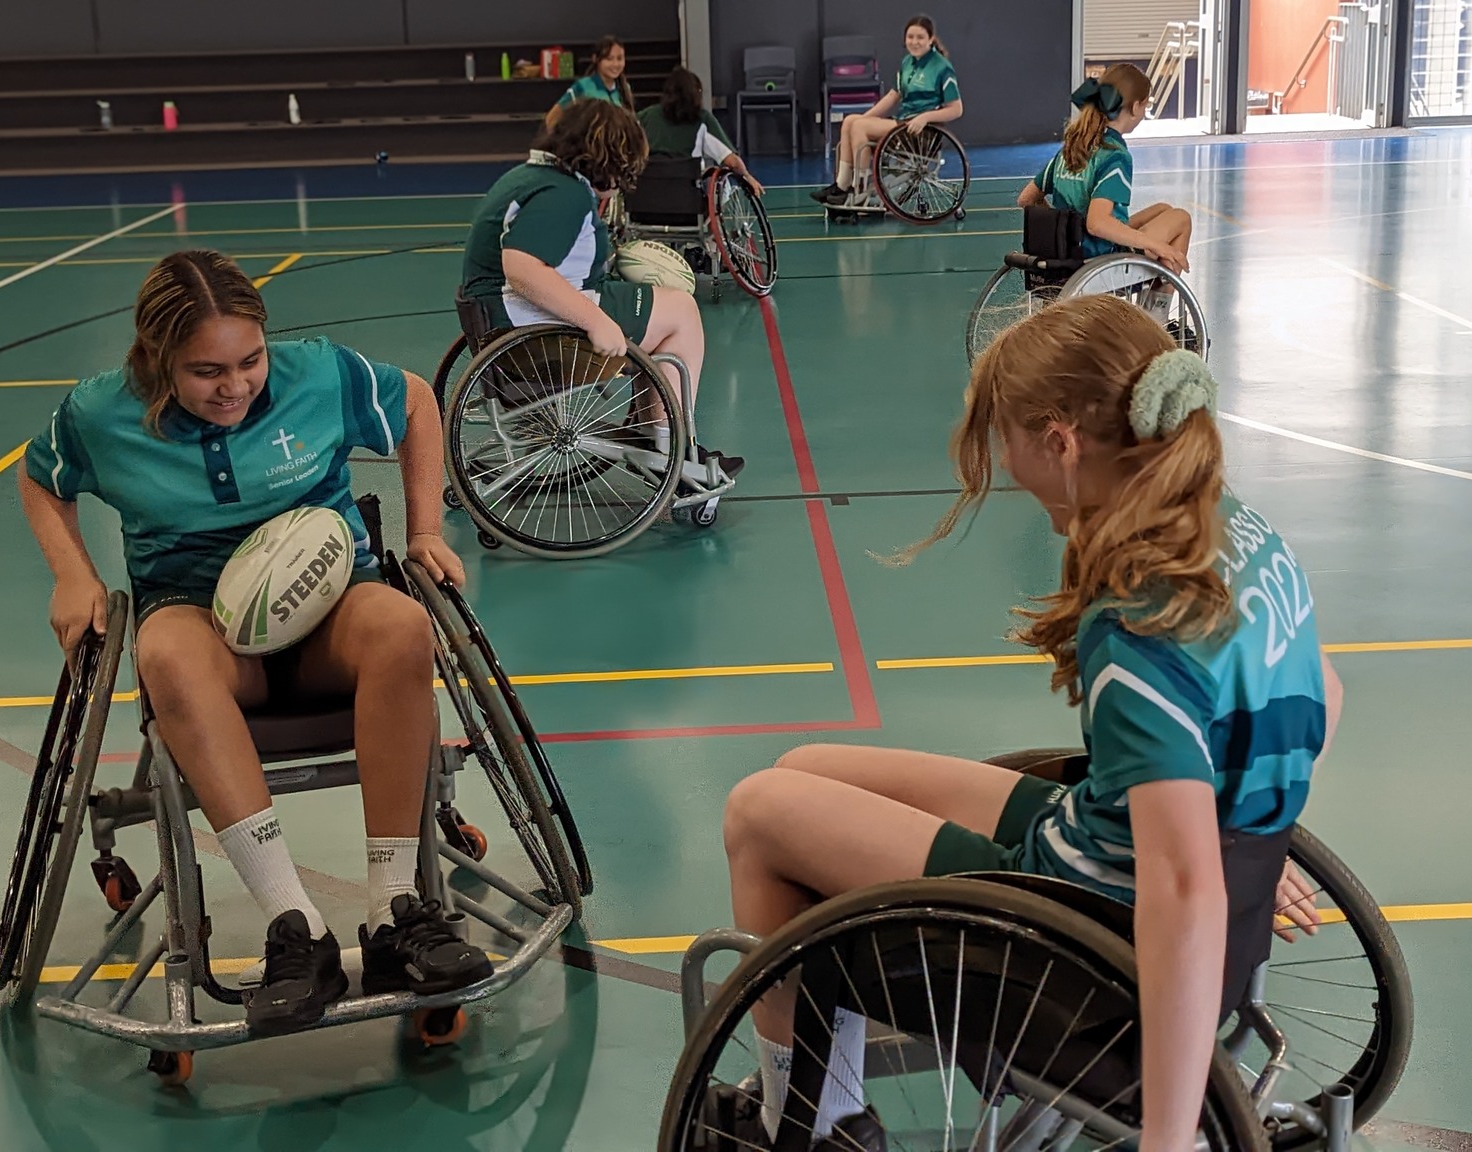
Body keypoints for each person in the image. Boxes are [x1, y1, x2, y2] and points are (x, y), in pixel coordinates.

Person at [711, 294, 1343, 1151]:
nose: (1004, 464)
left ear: (1060, 439)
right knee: (804, 763)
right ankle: (821, 1093)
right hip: (1095, 846)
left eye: (1006, 437)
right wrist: (1250, 832)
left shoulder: (1135, 630)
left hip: (1071, 938)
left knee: (757, 809)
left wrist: (1169, 1138)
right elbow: (1322, 692)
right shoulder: (1234, 525)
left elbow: (1185, 891)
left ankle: (813, 1118)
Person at [18, 249, 492, 1039]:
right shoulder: (102, 413)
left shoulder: (318, 376)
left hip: (329, 608)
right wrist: (72, 575)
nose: (235, 385)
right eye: (206, 371)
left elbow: (413, 402)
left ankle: (393, 911)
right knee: (162, 652)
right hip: (199, 616)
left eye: (249, 361)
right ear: (155, 356)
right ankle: (292, 927)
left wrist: (425, 531)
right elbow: (40, 477)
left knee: (404, 625)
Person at [459, 98, 743, 480]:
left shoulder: (531, 176)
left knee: (658, 312)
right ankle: (672, 451)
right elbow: (522, 267)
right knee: (681, 313)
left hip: (503, 326)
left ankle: (653, 435)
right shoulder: (563, 194)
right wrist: (596, 321)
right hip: (532, 339)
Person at [1019, 64, 1194, 283]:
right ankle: (1156, 310)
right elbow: (1097, 223)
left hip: (1071, 249)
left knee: (1163, 210)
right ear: (1136, 107)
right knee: (1181, 218)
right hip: (1097, 258)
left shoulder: (1073, 147)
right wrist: (1155, 245)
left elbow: (1026, 199)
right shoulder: (1115, 156)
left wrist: (1062, 229)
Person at [813, 15, 963, 207]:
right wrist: (863, 118)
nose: (914, 42)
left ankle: (859, 189)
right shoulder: (908, 62)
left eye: (920, 37)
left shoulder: (942, 66)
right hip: (903, 123)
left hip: (920, 132)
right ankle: (841, 187)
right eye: (910, 37)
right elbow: (893, 96)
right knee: (851, 121)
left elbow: (956, 109)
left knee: (860, 127)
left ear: (931, 39)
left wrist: (925, 117)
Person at [637, 65, 764, 197]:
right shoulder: (702, 119)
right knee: (720, 183)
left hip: (648, 196)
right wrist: (747, 177)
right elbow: (732, 162)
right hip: (686, 199)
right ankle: (715, 217)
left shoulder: (645, 116)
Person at [552, 35, 635, 117]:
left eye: (620, 58)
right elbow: (553, 116)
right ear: (595, 59)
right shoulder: (583, 86)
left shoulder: (625, 88)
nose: (615, 64)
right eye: (609, 59)